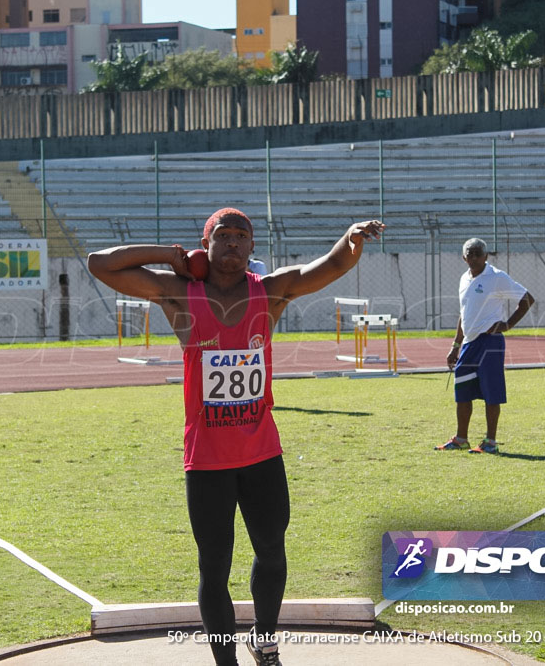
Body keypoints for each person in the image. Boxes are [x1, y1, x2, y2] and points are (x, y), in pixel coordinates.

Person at [88, 209, 384, 666]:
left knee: (271, 552)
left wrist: (349, 238)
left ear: (251, 247)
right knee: (214, 566)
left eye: (239, 236)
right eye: (221, 236)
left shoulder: (269, 293)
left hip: (262, 453)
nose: (230, 243)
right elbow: (100, 263)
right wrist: (167, 255)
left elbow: (330, 268)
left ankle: (264, 638)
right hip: (206, 460)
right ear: (204, 246)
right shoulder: (179, 296)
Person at [436, 238, 533, 454]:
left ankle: (490, 442)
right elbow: (464, 314)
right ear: (463, 257)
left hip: (490, 342)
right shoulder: (464, 279)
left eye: (478, 253)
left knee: (491, 392)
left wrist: (507, 325)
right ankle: (461, 439)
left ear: (486, 256)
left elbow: (527, 299)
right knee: (462, 391)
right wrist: (455, 345)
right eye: (469, 254)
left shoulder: (496, 277)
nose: (473, 257)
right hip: (469, 344)